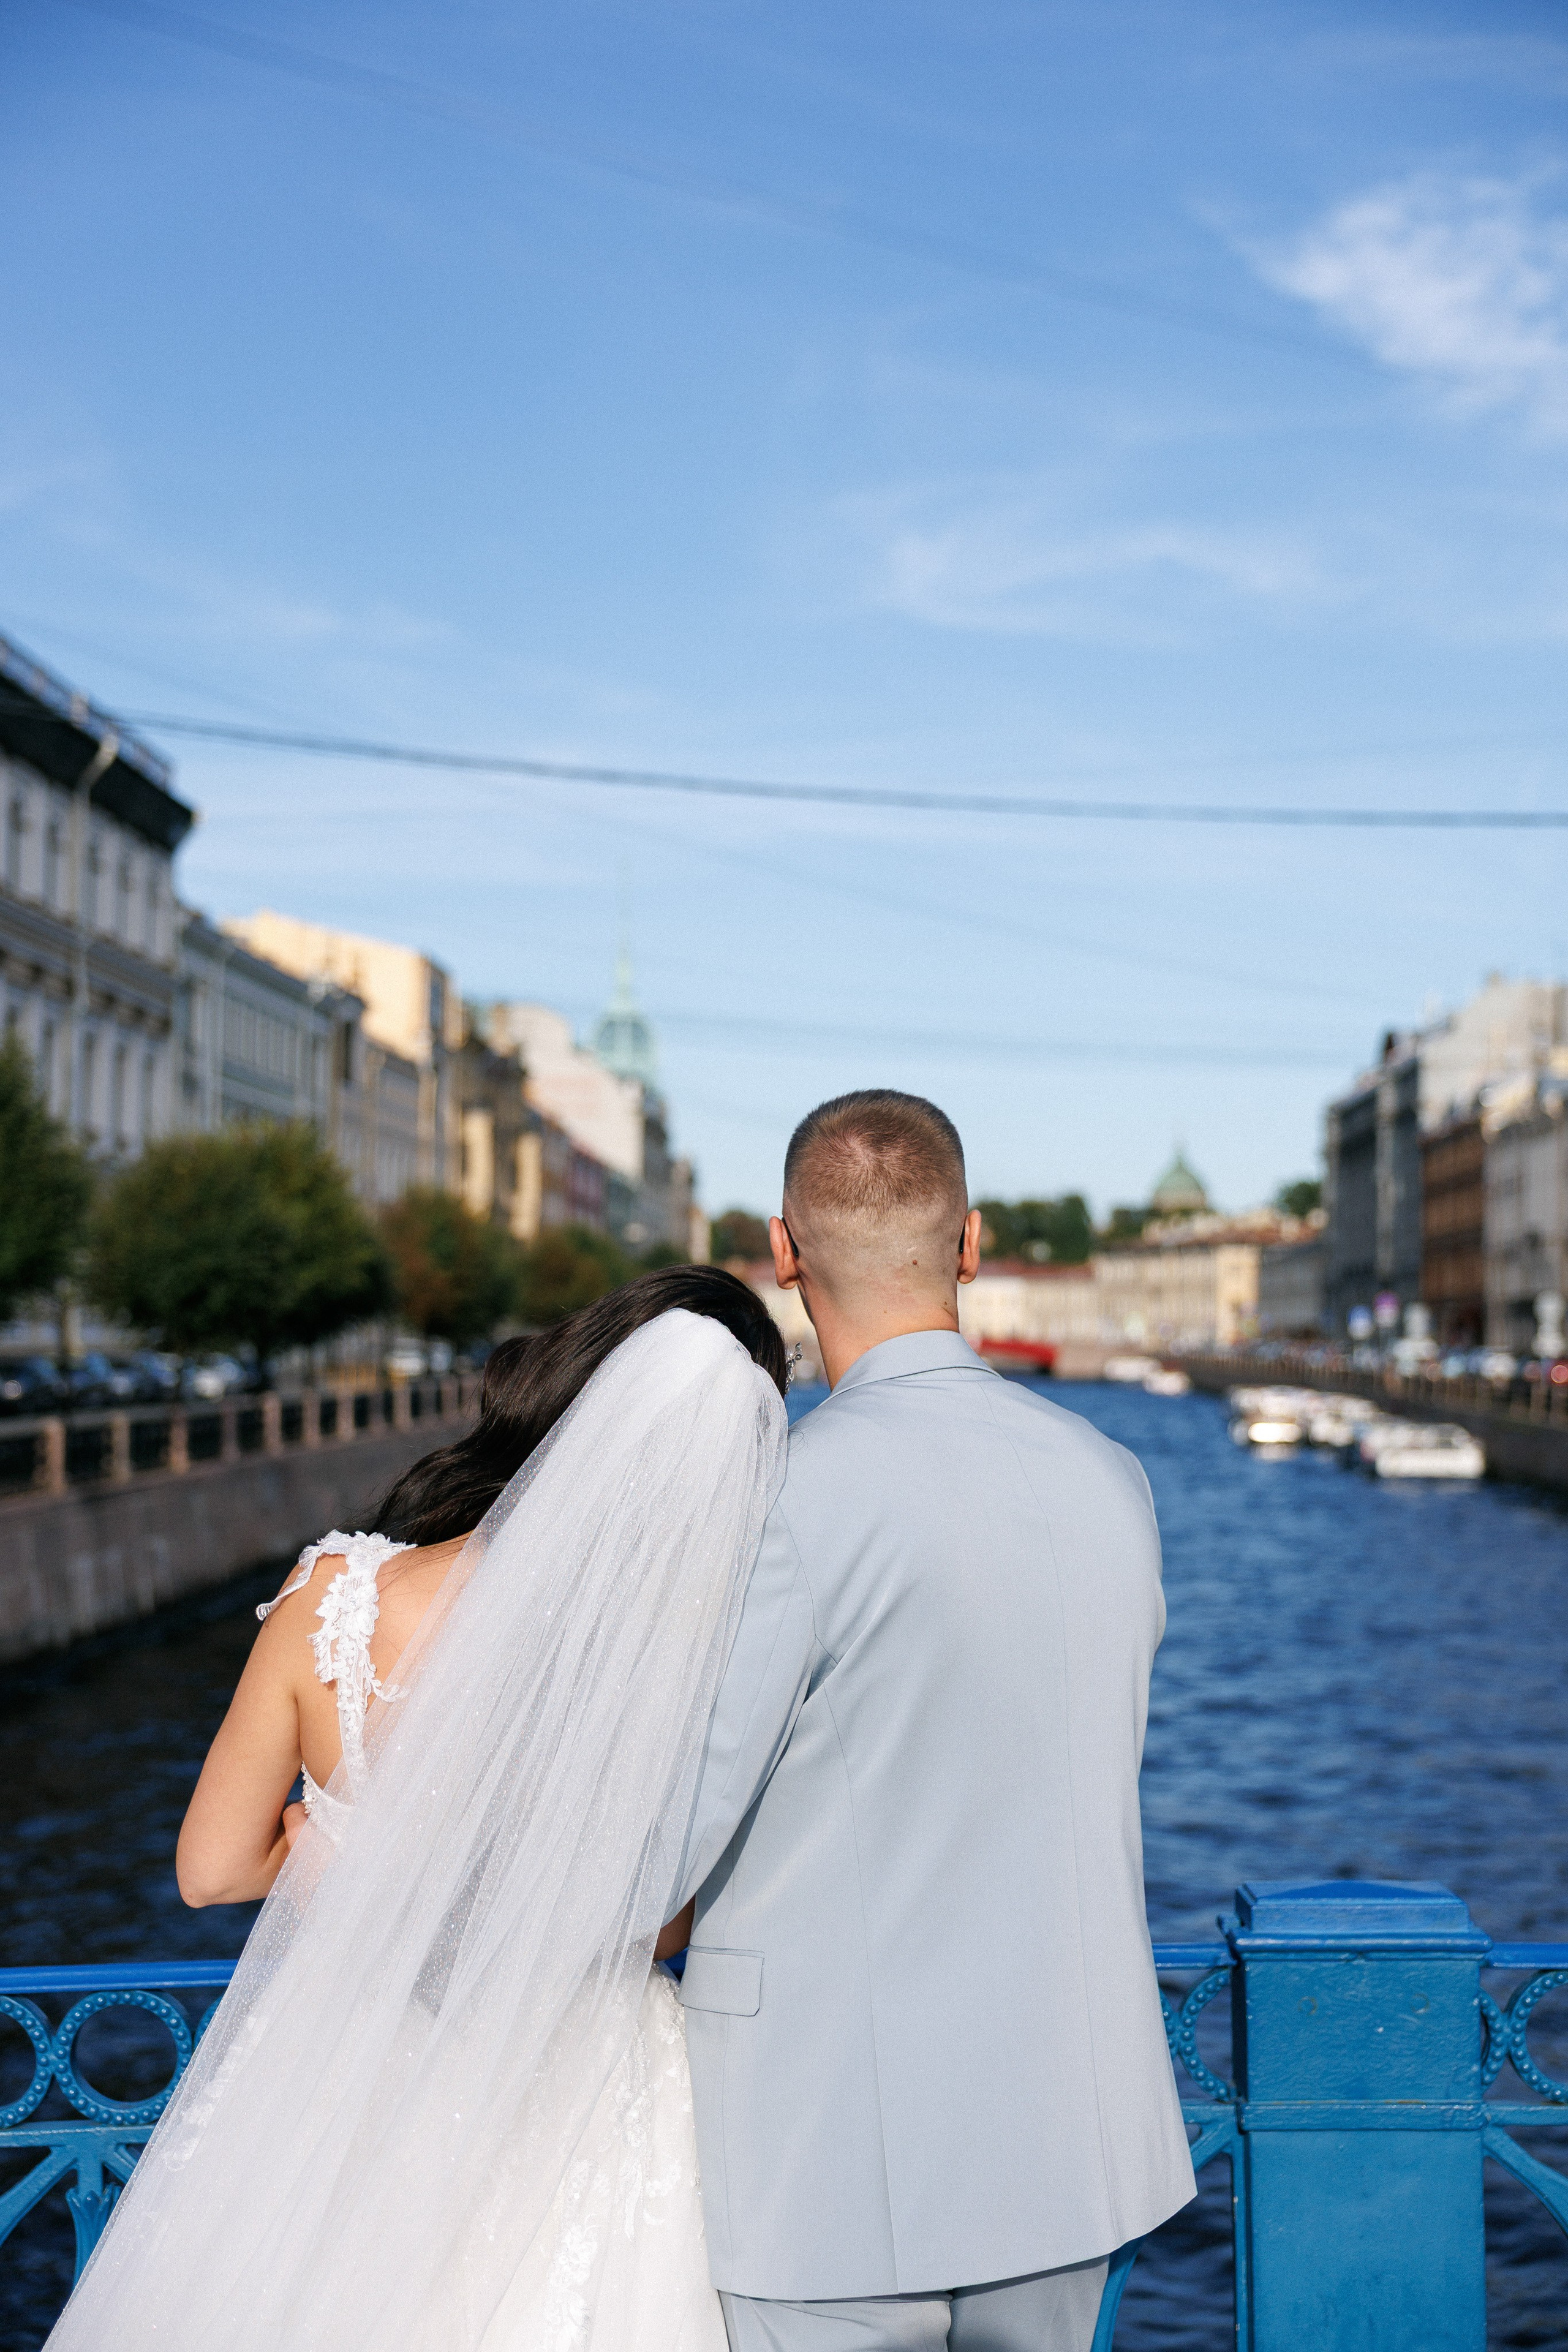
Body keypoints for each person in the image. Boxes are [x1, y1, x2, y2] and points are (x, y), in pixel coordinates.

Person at [45, 1266, 789, 2352]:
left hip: (350, 2061)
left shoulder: (335, 1596)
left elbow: (209, 1872)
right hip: (577, 2086)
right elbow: (660, 1927)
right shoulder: (675, 1666)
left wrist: (340, 1855)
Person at [671, 1090, 1194, 2352]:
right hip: (1070, 2147)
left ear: (782, 1254)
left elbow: (662, 1846)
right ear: (970, 1243)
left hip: (826, 2156)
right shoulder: (1110, 1479)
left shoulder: (783, 1499)